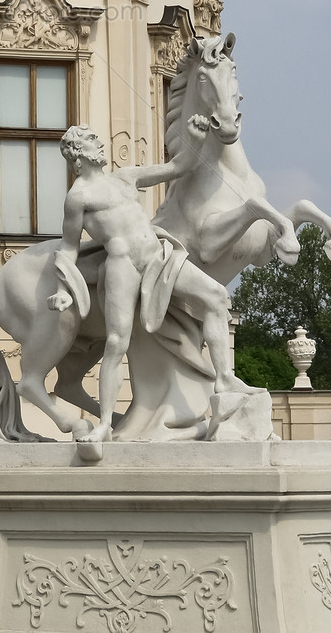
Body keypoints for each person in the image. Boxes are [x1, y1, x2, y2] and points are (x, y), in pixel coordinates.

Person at [48, 125, 254, 443]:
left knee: (215, 295)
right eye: (91, 139)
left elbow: (177, 167)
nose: (100, 141)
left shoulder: (126, 177)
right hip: (122, 266)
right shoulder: (78, 197)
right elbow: (69, 247)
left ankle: (224, 380)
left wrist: (198, 137)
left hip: (158, 256)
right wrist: (64, 289)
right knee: (117, 343)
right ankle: (104, 424)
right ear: (77, 153)